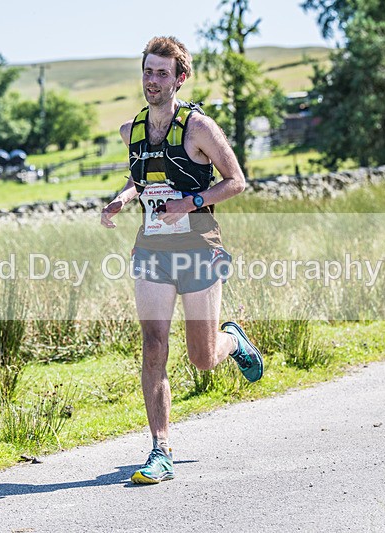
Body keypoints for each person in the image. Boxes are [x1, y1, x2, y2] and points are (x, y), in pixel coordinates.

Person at [100, 36, 264, 485]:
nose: (152, 81)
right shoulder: (130, 132)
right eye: (147, 71)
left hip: (197, 246)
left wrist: (191, 202)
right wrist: (120, 198)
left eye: (161, 73)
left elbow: (236, 181)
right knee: (153, 345)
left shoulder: (198, 128)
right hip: (153, 248)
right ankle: (160, 450)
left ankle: (233, 341)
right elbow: (143, 181)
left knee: (202, 358)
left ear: (179, 78)